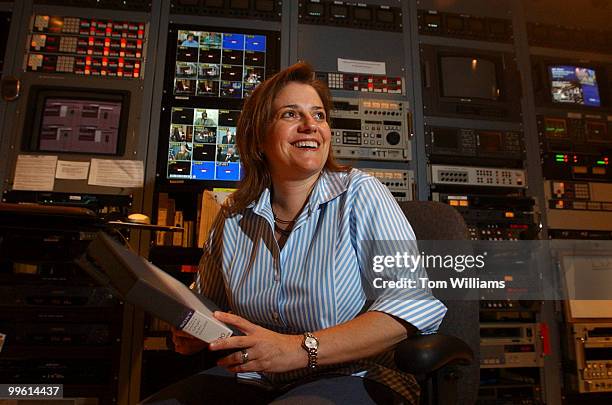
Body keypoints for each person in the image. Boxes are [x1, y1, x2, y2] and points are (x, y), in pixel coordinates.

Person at [141, 62, 446, 404]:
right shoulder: (233, 215)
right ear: (258, 137)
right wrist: (193, 329)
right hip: (257, 377)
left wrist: (298, 349)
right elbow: (211, 306)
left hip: (357, 374)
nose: (310, 126)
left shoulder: (361, 194)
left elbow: (411, 302)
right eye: (291, 114)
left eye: (318, 116)